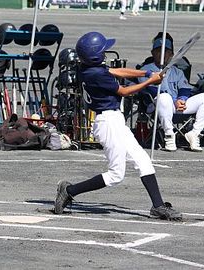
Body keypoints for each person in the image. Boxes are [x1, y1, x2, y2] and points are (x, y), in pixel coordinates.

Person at [54, 32, 182, 221]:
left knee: (143, 160)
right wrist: (149, 81)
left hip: (115, 121)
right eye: (103, 51)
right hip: (108, 124)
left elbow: (116, 71)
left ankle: (158, 206)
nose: (105, 53)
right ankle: (70, 190)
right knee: (116, 175)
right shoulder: (96, 74)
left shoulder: (87, 67)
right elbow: (124, 91)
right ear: (96, 56)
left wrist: (145, 73)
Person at [139, 32, 204, 152]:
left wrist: (182, 100)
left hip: (177, 106)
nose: (162, 54)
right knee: (163, 97)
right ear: (152, 53)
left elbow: (185, 88)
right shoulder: (145, 70)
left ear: (172, 54)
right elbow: (152, 90)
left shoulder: (177, 71)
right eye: (158, 50)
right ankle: (169, 135)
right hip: (157, 105)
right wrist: (175, 101)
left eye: (166, 51)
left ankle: (194, 134)